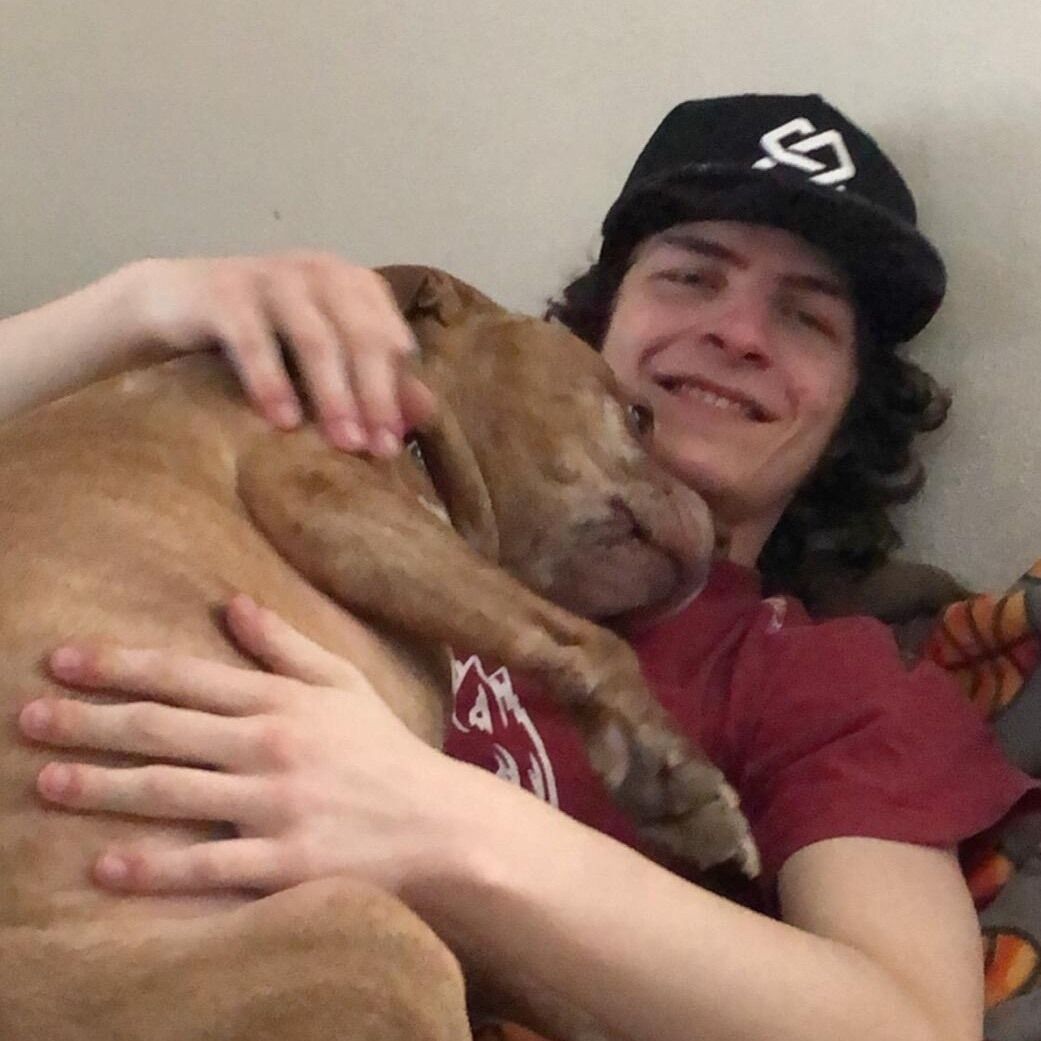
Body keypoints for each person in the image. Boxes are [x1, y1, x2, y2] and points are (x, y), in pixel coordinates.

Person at [4, 93, 1035, 1041]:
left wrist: (441, 824)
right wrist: (129, 309)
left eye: (805, 316)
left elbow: (908, 1024)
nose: (736, 333)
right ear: (594, 326)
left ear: (850, 409)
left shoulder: (821, 675)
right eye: (691, 275)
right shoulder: (370, 455)